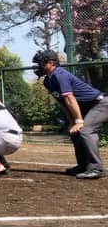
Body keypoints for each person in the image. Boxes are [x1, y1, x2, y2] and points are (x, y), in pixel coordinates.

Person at [33, 50, 108, 179]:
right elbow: (64, 104)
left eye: (41, 63)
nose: (38, 66)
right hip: (87, 107)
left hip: (100, 104)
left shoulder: (59, 75)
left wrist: (79, 121)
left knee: (85, 130)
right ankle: (83, 165)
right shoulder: (48, 81)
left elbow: (70, 99)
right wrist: (72, 122)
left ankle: (97, 168)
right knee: (76, 132)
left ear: (51, 63)